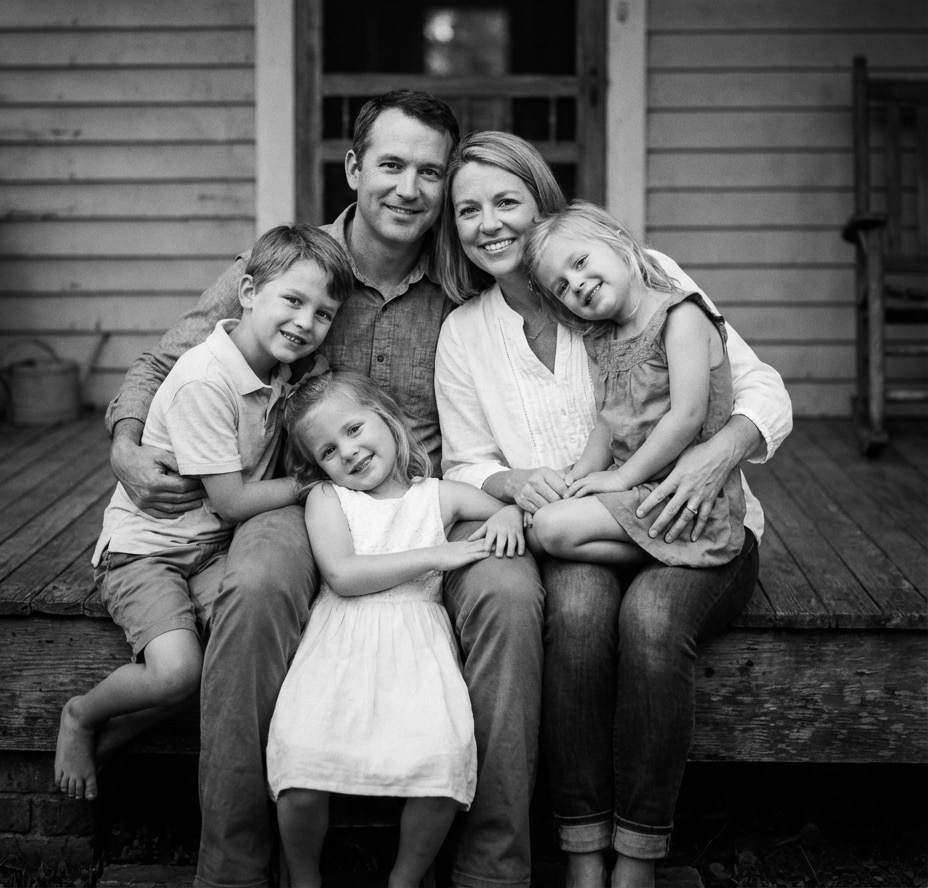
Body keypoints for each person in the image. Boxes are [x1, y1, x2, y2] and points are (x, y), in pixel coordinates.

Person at [105, 90, 545, 888]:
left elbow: (565, 285)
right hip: (303, 492)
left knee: (511, 597)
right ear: (352, 168)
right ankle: (236, 867)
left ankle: (490, 867)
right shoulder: (293, 266)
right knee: (255, 585)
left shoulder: (461, 274)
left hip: (430, 495)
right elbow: (167, 359)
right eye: (391, 165)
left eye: (430, 172)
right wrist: (127, 443)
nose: (409, 188)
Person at [432, 131, 792, 888]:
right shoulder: (465, 331)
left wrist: (718, 452)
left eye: (507, 201)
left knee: (653, 622)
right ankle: (582, 849)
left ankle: (639, 856)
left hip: (696, 518)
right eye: (468, 210)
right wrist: (515, 485)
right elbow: (468, 460)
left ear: (542, 203)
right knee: (578, 619)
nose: (489, 223)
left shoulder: (641, 279)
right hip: (589, 529)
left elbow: (761, 386)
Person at [56, 224, 353, 803]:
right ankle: (82, 715)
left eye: (323, 314)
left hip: (209, 549)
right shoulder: (204, 380)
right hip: (146, 553)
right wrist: (311, 482)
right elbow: (232, 501)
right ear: (247, 292)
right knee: (177, 672)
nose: (305, 322)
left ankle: (115, 738)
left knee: (249, 646)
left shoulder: (278, 369)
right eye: (293, 301)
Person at [266, 368, 524, 888]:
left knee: (441, 767)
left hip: (418, 653)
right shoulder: (328, 499)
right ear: (317, 466)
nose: (349, 452)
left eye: (354, 429)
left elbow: (506, 509)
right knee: (302, 766)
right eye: (329, 451)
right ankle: (303, 878)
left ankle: (405, 879)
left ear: (385, 417)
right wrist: (437, 554)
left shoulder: (438, 496)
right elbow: (343, 575)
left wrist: (510, 515)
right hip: (339, 649)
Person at [523, 199, 746, 570]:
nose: (576, 283)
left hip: (683, 491)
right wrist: (576, 478)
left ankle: (684, 546)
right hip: (636, 488)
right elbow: (607, 421)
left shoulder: (680, 317)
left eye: (580, 262)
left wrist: (621, 479)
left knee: (550, 527)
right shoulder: (603, 338)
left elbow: (687, 415)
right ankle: (657, 553)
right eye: (561, 287)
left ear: (618, 242)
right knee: (538, 529)